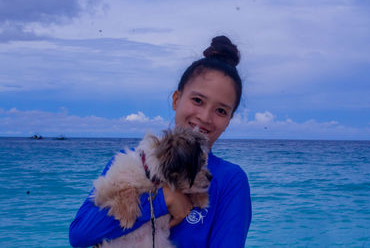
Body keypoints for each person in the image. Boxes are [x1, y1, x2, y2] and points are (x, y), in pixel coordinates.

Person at [69, 36, 252, 247]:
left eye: (221, 110)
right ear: (176, 99)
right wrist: (164, 200)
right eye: (197, 100)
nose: (205, 117)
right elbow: (80, 235)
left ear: (229, 119)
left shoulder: (230, 180)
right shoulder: (132, 162)